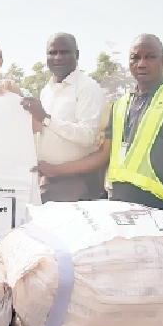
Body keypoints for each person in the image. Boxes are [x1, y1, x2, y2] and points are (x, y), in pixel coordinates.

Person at [31, 34, 163, 210]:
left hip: (161, 209)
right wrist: (54, 170)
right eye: (135, 57)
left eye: (150, 57)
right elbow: (103, 156)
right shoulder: (120, 105)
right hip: (120, 206)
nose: (142, 63)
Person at [23, 33, 106, 203]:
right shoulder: (47, 89)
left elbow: (88, 136)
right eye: (52, 53)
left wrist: (46, 118)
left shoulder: (87, 87)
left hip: (77, 183)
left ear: (76, 54)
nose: (58, 57)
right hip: (49, 180)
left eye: (64, 52)